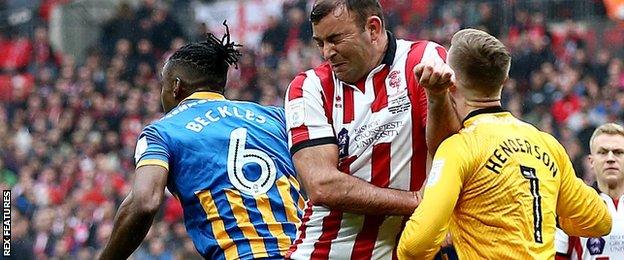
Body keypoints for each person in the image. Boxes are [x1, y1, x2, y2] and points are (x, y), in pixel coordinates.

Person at [396, 28, 612, 259]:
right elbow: (600, 220)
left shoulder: (459, 147)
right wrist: (546, 210)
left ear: (451, 83)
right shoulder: (546, 143)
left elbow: (415, 246)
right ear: (504, 81)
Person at [99, 25, 304, 260]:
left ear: (175, 87)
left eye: (163, 86)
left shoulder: (163, 131)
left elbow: (144, 202)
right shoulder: (275, 117)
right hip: (305, 253)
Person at [284, 0, 459, 259]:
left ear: (373, 29)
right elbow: (321, 185)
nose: (327, 53)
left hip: (412, 250)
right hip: (327, 251)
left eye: (335, 39)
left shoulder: (422, 60)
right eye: (320, 43)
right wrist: (417, 201)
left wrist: (437, 98)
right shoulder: (308, 88)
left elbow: (450, 145)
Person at [555, 123, 624, 259]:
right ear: (591, 161)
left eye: (618, 152)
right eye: (603, 152)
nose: (610, 159)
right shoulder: (574, 206)